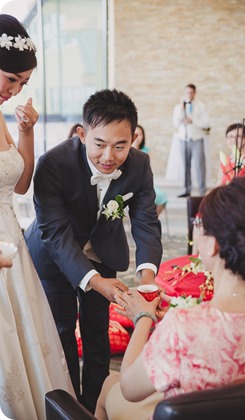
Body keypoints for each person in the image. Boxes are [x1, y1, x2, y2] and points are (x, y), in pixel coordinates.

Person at [95, 175, 245, 420]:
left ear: (213, 244)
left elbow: (130, 388)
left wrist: (143, 317)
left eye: (200, 224)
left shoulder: (183, 328)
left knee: (111, 382)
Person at [25, 89, 163, 413]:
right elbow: (55, 233)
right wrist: (96, 281)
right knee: (62, 331)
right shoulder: (53, 164)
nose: (108, 156)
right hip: (52, 255)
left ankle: (96, 406)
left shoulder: (140, 165)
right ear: (82, 133)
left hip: (102, 252)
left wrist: (147, 280)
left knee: (97, 332)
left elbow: (145, 222)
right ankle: (70, 405)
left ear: (134, 139)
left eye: (120, 146)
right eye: (99, 144)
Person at [0, 14, 74, 420]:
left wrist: (26, 134)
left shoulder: (0, 115)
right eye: (11, 78)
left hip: (13, 238)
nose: (13, 92)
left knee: (29, 337)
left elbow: (21, 184)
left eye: (22, 85)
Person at [173, 83, 210, 197]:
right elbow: (175, 123)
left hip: (197, 139)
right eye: (186, 92)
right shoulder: (178, 107)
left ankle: (202, 191)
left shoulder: (201, 106)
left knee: (199, 166)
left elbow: (206, 123)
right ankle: (187, 189)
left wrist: (193, 120)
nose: (188, 94)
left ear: (194, 93)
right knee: (185, 166)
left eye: (191, 92)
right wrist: (181, 110)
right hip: (183, 139)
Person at [133, 124, 168, 216]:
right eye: (135, 134)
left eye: (140, 135)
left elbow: (148, 170)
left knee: (162, 196)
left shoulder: (145, 150)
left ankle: (152, 218)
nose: (137, 137)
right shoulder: (126, 150)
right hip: (133, 182)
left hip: (145, 181)